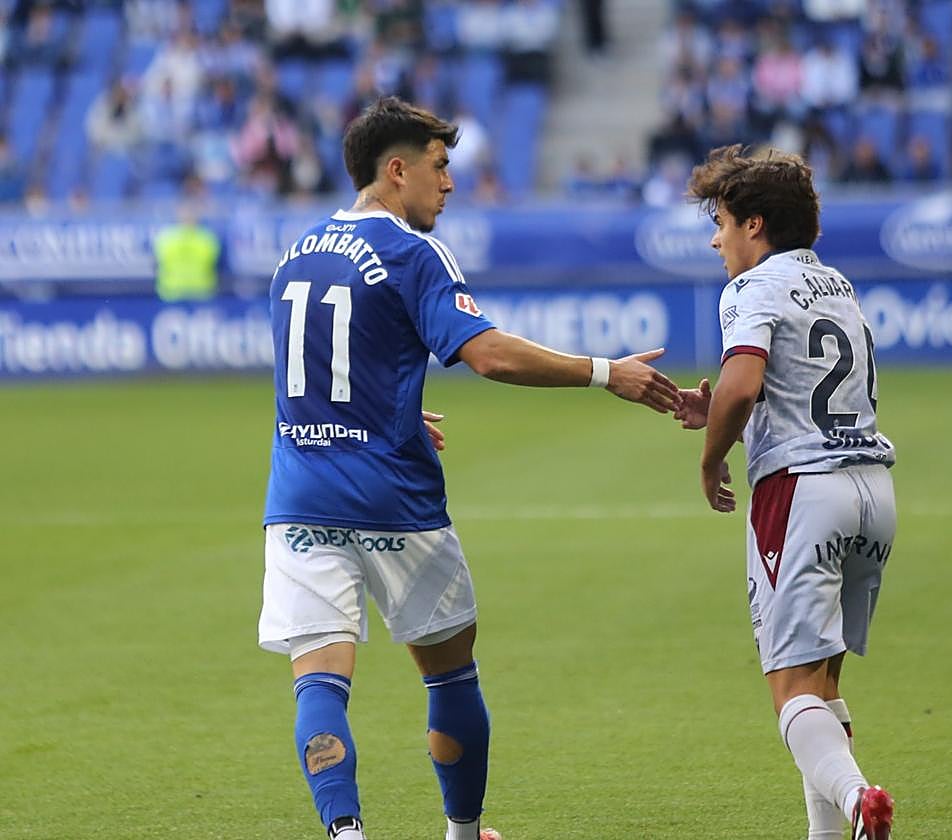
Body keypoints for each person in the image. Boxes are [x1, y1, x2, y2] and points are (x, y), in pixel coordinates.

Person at [259, 97, 680, 840]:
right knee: (450, 671)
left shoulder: (297, 252)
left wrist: (390, 406)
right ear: (397, 170)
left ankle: (345, 832)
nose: (450, 183)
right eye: (440, 166)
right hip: (393, 498)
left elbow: (317, 374)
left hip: (300, 495)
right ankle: (462, 831)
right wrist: (603, 372)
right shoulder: (411, 251)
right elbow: (487, 355)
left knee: (319, 681)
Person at [673, 146, 896, 840]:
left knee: (791, 691)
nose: (716, 240)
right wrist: (718, 414)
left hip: (801, 494)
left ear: (755, 225)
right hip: (873, 492)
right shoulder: (836, 285)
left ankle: (860, 801)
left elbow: (742, 383)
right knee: (822, 687)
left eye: (722, 223)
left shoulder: (751, 288)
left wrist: (711, 458)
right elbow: (795, 393)